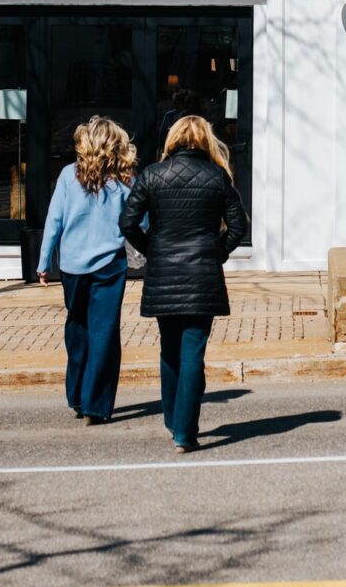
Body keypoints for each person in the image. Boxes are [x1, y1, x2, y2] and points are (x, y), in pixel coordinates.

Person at [120, 114, 248, 453]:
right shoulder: (217, 176)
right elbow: (238, 227)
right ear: (206, 140)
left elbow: (128, 222)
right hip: (202, 275)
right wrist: (215, 252)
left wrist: (153, 250)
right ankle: (185, 432)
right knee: (193, 352)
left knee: (169, 349)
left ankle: (172, 419)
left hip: (164, 274)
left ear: (172, 140)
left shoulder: (152, 175)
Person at [37, 115, 134, 425]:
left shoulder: (68, 175)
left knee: (77, 328)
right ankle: (96, 404)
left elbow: (54, 221)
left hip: (72, 266)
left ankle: (77, 396)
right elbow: (140, 223)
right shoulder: (125, 181)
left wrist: (43, 262)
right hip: (109, 264)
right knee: (104, 333)